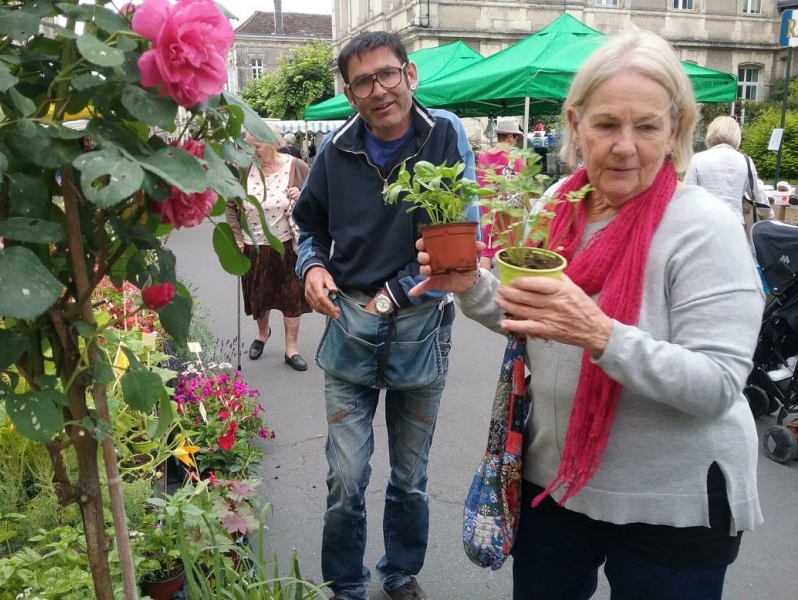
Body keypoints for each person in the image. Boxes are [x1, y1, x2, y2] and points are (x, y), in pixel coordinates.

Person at [410, 29, 763, 600]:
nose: (626, 146)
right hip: (558, 485)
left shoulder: (704, 227)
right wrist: (471, 285)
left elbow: (718, 386)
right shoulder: (559, 205)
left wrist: (602, 335)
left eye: (647, 125)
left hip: (672, 505)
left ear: (674, 128)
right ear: (575, 125)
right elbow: (535, 321)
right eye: (606, 125)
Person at [292, 31, 477, 600]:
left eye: (388, 74)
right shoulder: (336, 149)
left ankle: (399, 572)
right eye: (363, 81)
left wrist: (396, 293)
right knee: (345, 480)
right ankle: (346, 584)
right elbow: (310, 227)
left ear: (409, 73)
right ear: (350, 94)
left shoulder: (443, 134)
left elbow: (462, 231)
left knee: (410, 477)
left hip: (421, 330)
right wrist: (311, 268)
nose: (379, 89)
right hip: (350, 327)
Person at [225, 130, 312, 371]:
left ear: (274, 144)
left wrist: (301, 195)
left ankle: (291, 349)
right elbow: (231, 206)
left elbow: (317, 198)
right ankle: (263, 333)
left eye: (257, 147)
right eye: (247, 148)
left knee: (291, 298)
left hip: (287, 246)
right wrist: (236, 236)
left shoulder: (297, 166)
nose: (251, 153)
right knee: (259, 297)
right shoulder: (243, 170)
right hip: (253, 247)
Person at [683, 115, 770, 224]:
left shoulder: (697, 159)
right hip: (735, 223)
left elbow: (687, 195)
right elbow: (758, 195)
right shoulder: (746, 161)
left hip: (704, 222)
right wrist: (770, 216)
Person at [477, 117, 525, 269]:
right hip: (508, 213)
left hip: (487, 210)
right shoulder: (515, 158)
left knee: (487, 251)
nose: (516, 141)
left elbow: (480, 184)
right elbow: (522, 188)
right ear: (510, 136)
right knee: (509, 251)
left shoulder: (483, 156)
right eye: (516, 137)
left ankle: (482, 287)